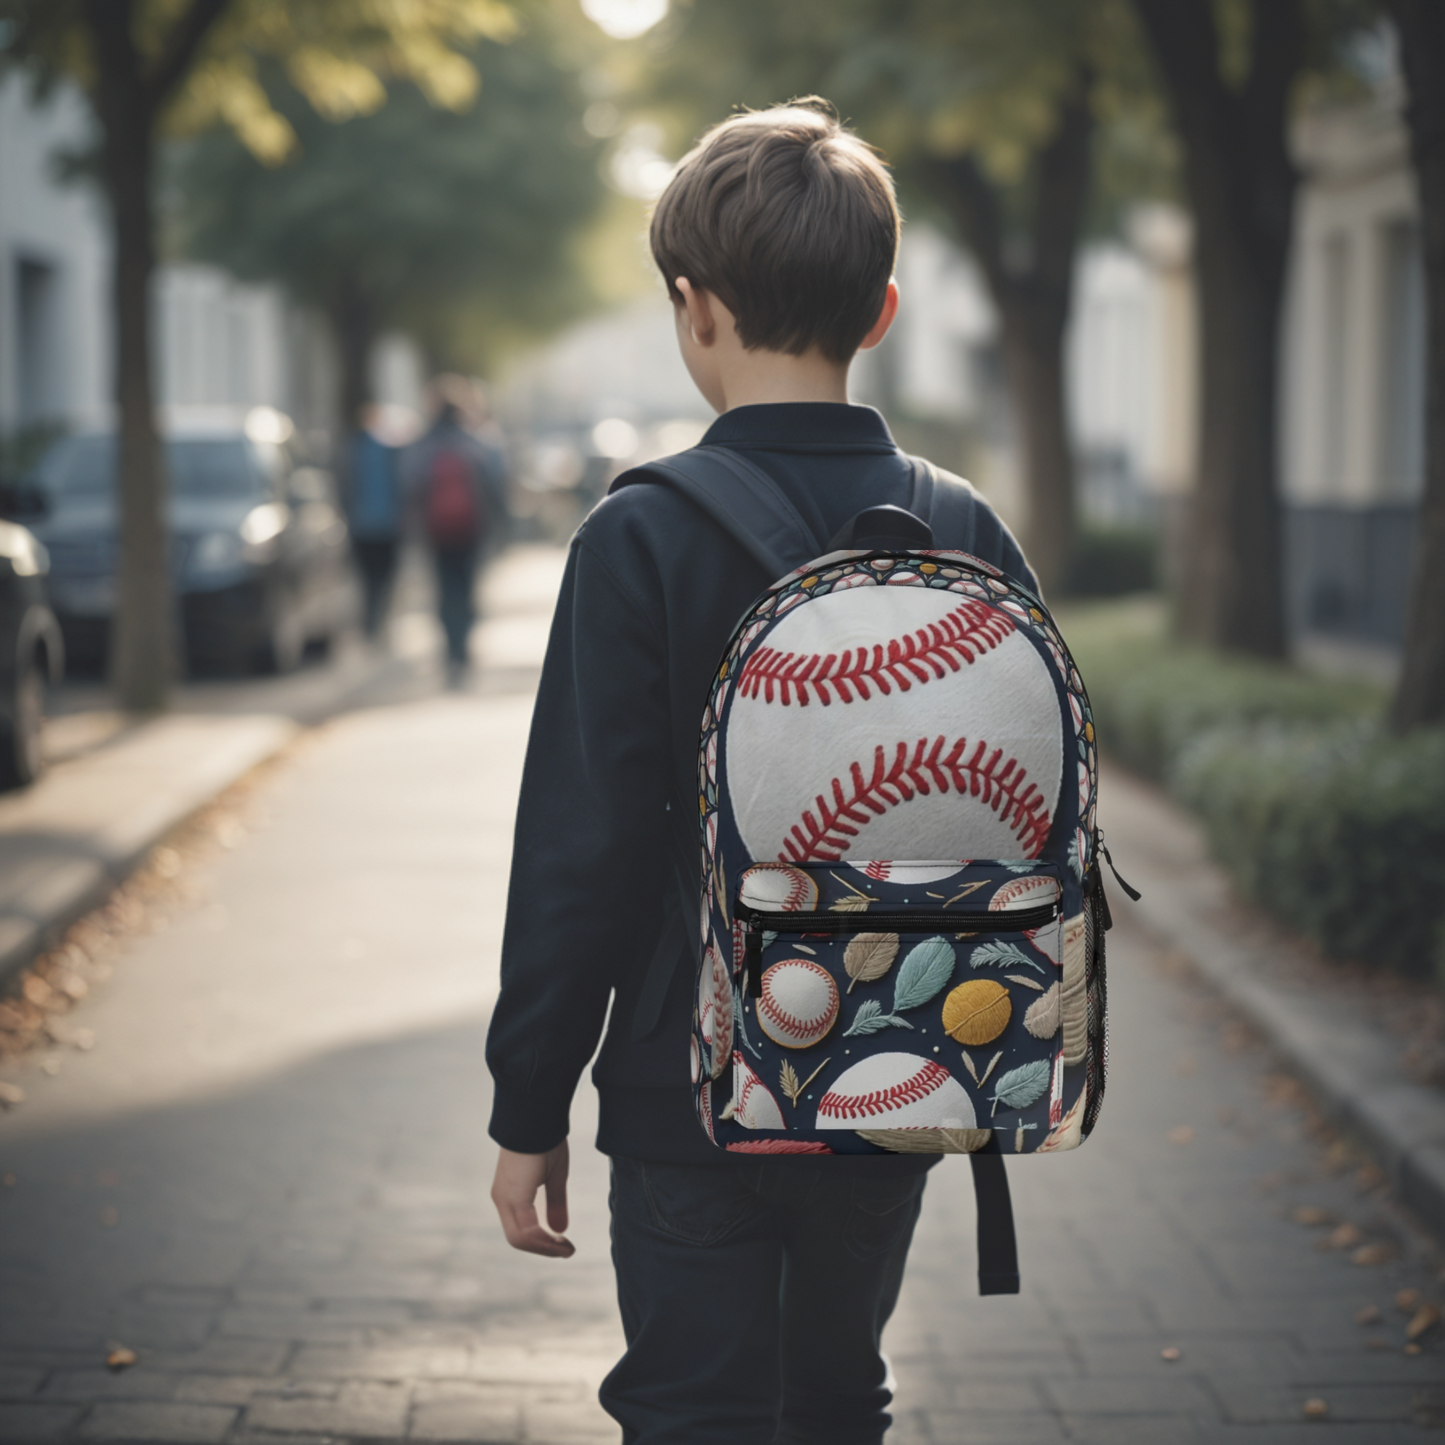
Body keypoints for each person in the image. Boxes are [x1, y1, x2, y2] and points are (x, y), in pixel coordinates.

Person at [485, 100, 1039, 1445]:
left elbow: (584, 847)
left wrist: (529, 1100)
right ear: (883, 309)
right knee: (837, 1398)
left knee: (692, 1411)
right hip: (902, 1063)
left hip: (691, 1090)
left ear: (693, 309)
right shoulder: (962, 525)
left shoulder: (638, 538)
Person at [403, 381, 505, 682]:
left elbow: (410, 486)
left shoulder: (424, 445)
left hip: (436, 531)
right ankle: (462, 648)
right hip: (471, 529)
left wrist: (413, 529)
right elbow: (494, 485)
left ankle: (451, 651)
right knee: (467, 587)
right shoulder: (474, 442)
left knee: (445, 590)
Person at [342, 405, 403, 641]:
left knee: (370, 578)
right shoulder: (392, 450)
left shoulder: (353, 449)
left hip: (364, 524)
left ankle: (372, 622)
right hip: (386, 524)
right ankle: (378, 620)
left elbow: (345, 487)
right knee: (384, 576)